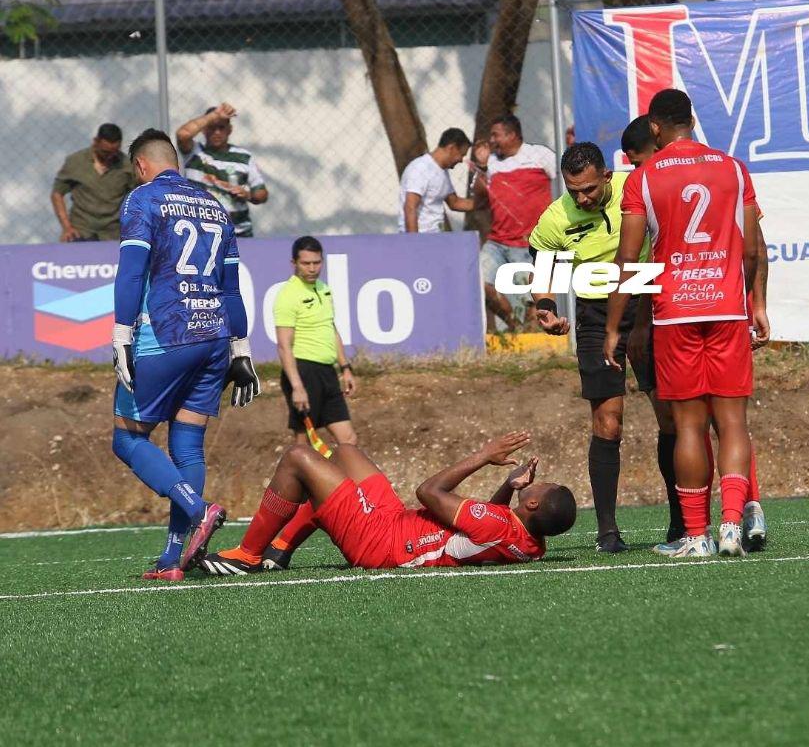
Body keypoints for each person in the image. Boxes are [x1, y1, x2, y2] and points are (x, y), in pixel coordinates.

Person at [604, 89, 768, 559]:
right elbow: (752, 247)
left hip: (675, 312)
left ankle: (697, 537)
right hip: (726, 306)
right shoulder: (734, 168)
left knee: (690, 427)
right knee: (733, 422)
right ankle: (734, 524)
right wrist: (753, 300)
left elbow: (628, 259)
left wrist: (615, 325)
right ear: (692, 120)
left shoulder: (644, 178)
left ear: (654, 128)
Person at [110, 129, 261, 582]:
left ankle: (198, 509)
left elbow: (132, 270)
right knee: (187, 444)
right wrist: (241, 346)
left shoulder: (142, 199)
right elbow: (231, 286)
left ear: (140, 165)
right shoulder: (215, 205)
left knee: (128, 437)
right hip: (215, 333)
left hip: (167, 332)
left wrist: (122, 330)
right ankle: (172, 559)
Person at [197, 431, 576, 574]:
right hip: (395, 525)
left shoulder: (496, 526)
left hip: (382, 543)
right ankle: (280, 549)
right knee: (345, 453)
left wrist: (484, 454)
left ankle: (247, 555)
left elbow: (428, 492)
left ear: (533, 507)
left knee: (299, 457)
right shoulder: (529, 542)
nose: (539, 482)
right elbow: (481, 529)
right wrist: (509, 487)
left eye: (542, 487)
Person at [527, 142, 656, 553]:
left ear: (606, 176)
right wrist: (546, 308)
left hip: (650, 305)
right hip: (596, 317)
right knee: (608, 423)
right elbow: (542, 270)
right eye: (572, 190)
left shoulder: (637, 189)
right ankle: (607, 532)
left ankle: (683, 524)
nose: (580, 198)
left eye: (588, 189)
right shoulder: (555, 217)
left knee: (671, 417)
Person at [469, 114, 555, 331]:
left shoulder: (539, 155)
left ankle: (532, 339)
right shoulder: (491, 163)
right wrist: (481, 166)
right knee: (479, 282)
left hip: (529, 243)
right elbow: (479, 198)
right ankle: (513, 326)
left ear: (512, 135)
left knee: (531, 301)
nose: (491, 141)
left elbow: (567, 180)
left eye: (495, 135)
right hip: (497, 241)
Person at [275, 236, 357, 448]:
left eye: (317, 262)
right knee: (304, 445)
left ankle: (345, 483)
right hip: (303, 371)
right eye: (306, 263)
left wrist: (345, 367)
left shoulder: (324, 289)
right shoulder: (288, 295)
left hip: (327, 372)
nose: (312, 268)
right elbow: (284, 346)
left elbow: (331, 328)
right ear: (294, 263)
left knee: (348, 441)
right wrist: (297, 387)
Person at [176, 102, 269, 237]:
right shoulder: (194, 152)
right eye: (211, 127)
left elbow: (262, 193)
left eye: (221, 127)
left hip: (238, 234)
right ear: (203, 129)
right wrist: (213, 116)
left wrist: (248, 195)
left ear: (229, 130)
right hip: (200, 233)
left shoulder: (244, 157)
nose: (217, 132)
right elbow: (183, 134)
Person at [51, 123, 137, 242]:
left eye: (114, 152)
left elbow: (140, 196)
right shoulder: (75, 162)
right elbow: (57, 194)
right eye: (105, 152)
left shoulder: (127, 166)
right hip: (80, 232)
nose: (109, 157)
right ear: (95, 142)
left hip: (113, 234)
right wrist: (67, 228)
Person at [398, 128, 476, 233]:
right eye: (461, 155)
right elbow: (410, 207)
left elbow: (455, 203)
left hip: (436, 236)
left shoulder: (442, 171)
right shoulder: (421, 168)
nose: (461, 160)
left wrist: (491, 204)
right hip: (421, 238)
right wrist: (414, 243)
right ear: (451, 148)